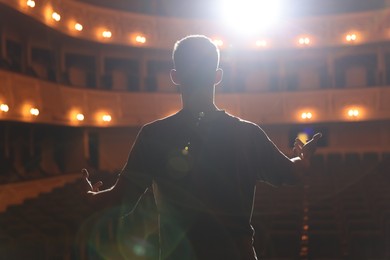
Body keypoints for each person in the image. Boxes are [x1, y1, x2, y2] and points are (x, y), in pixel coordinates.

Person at [82, 35, 322, 260]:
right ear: (218, 75)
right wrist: (303, 158)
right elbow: (293, 173)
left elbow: (119, 201)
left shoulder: (153, 135)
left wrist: (91, 196)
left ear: (175, 76)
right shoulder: (248, 134)